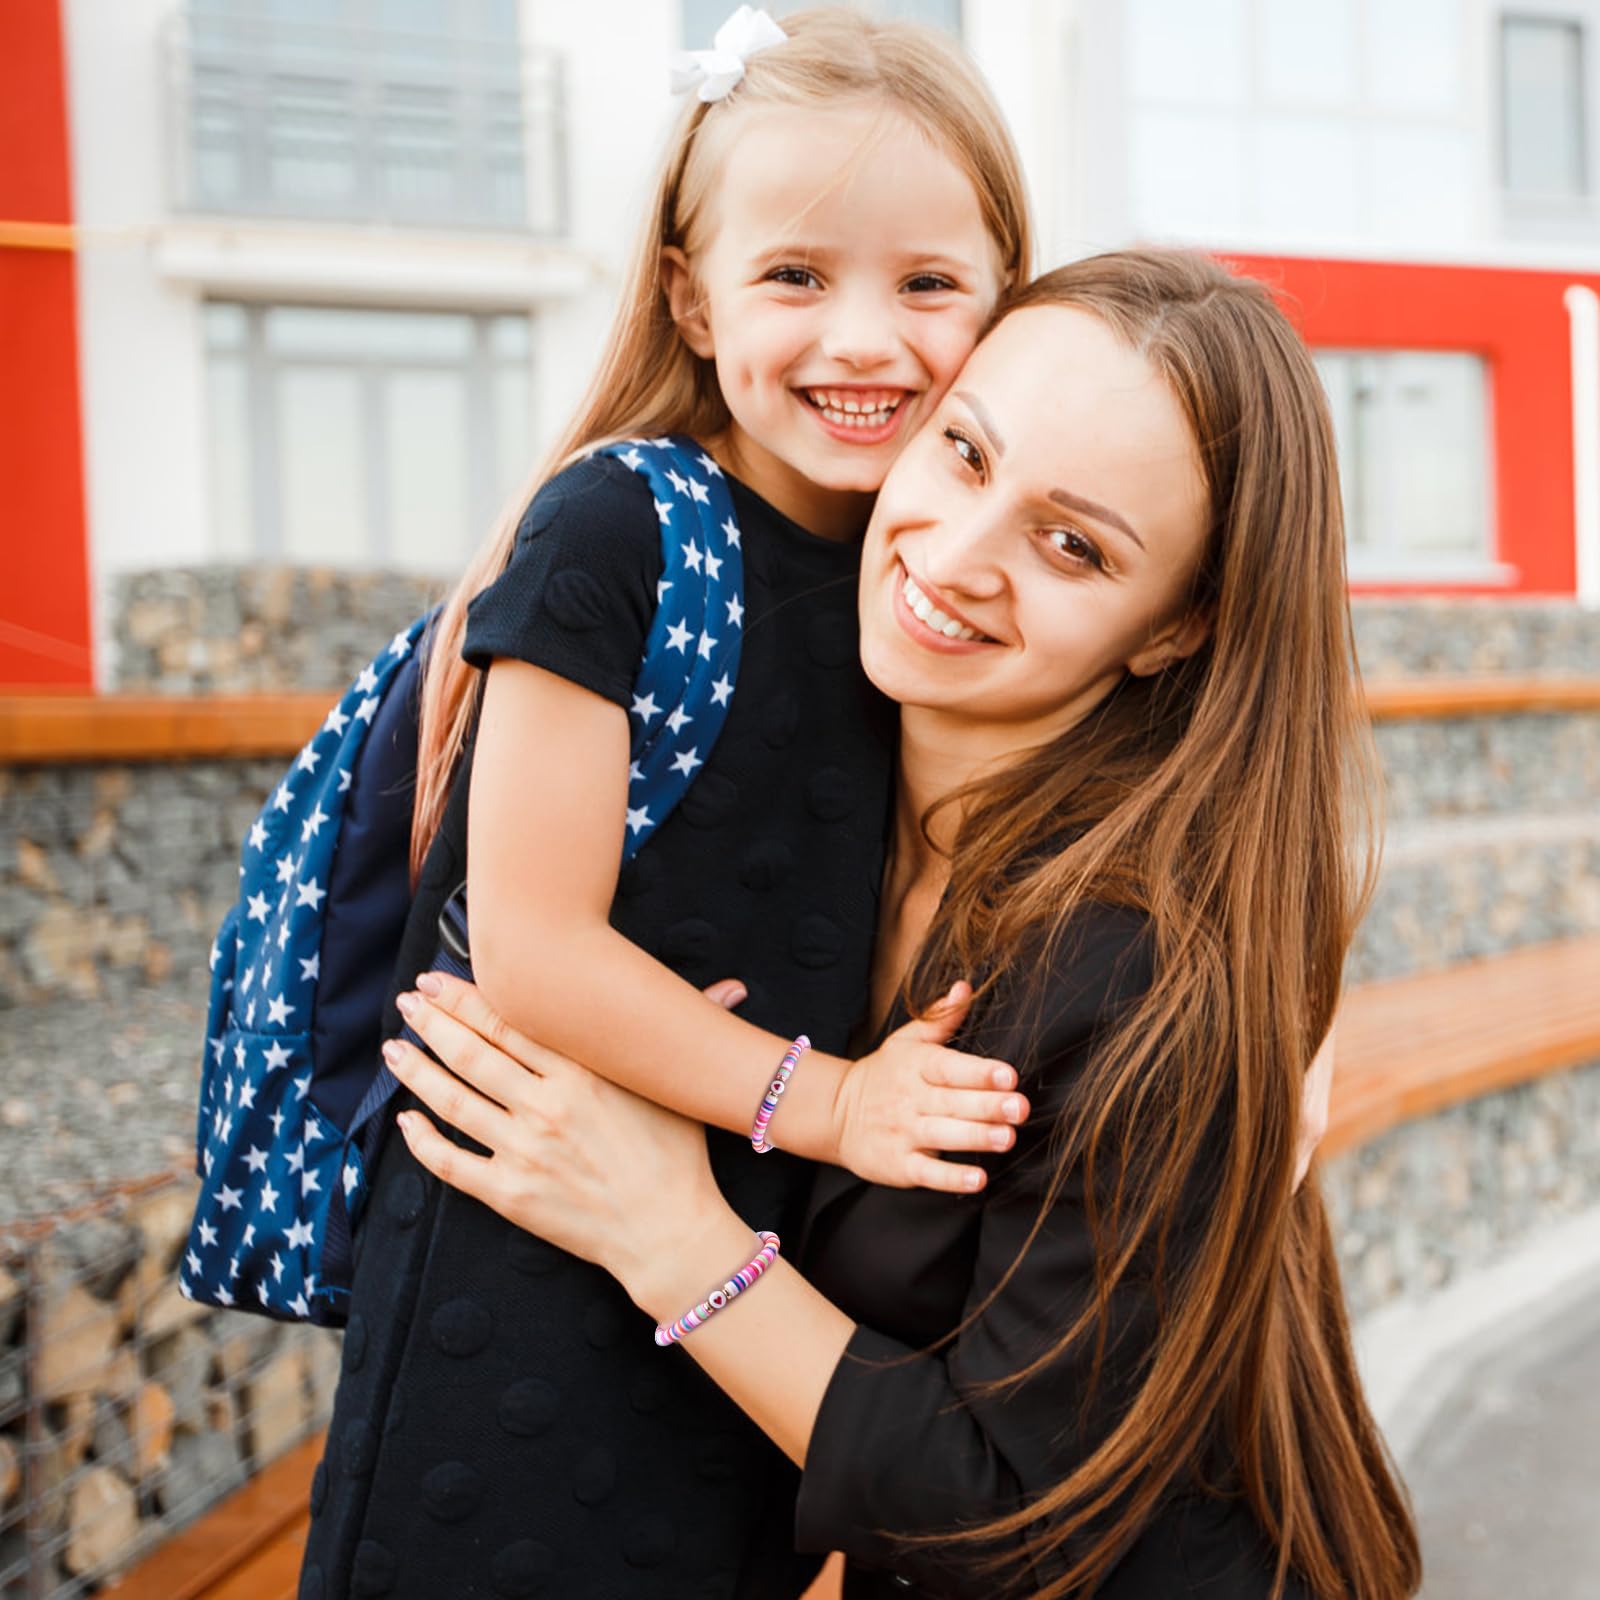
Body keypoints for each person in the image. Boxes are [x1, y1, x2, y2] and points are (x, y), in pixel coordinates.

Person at [383, 249, 1424, 1599]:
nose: (959, 556)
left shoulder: (1147, 974)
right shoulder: (813, 769)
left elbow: (1025, 1520)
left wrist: (668, 1230)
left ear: (1177, 629)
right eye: (967, 452)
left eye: (1073, 546)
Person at [301, 11, 1038, 1599]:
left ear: (1005, 297)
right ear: (694, 299)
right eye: (797, 276)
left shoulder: (920, 582)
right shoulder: (620, 530)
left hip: (737, 1271)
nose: (866, 341)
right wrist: (835, 1105)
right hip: (519, 1262)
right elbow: (532, 948)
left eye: (928, 283)